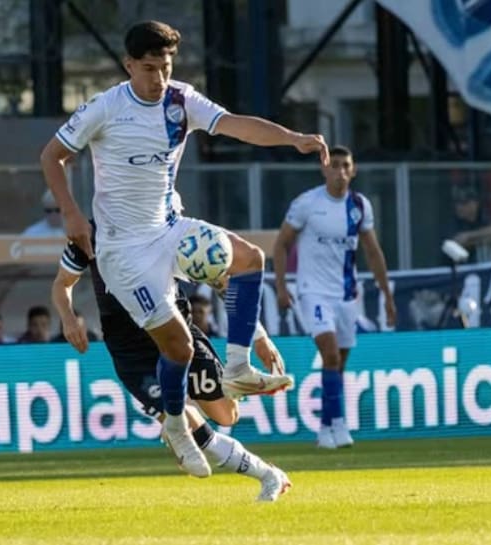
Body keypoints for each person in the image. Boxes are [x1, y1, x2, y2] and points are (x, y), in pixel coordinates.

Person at [40, 20, 326, 477]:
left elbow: (235, 125)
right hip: (124, 253)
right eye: (150, 68)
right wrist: (72, 214)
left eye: (166, 66)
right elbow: (50, 156)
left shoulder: (180, 99)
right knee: (178, 350)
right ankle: (175, 425)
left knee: (250, 258)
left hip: (169, 228)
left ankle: (237, 365)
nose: (159, 78)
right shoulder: (105, 108)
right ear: (129, 65)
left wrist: (292, 138)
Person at [52, 235, 291, 501]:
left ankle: (177, 420)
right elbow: (62, 283)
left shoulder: (162, 228)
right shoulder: (90, 234)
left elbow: (221, 280)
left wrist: (258, 336)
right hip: (132, 351)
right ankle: (268, 476)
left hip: (178, 333)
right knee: (195, 431)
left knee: (227, 416)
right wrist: (68, 318)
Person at [273, 146, 396, 449]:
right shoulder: (307, 204)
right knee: (328, 353)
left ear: (353, 171)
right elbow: (280, 245)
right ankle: (340, 426)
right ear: (325, 169)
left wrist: (387, 295)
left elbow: (372, 251)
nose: (340, 172)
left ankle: (325, 428)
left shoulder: (359, 206)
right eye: (335, 165)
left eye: (346, 166)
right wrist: (280, 286)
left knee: (338, 363)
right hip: (312, 292)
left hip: (346, 294)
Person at [448, 184, 491, 263]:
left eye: (464, 203)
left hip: (490, 269)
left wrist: (468, 236)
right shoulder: (454, 223)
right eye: (457, 203)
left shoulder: (483, 218)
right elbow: (456, 244)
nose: (459, 207)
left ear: (475, 204)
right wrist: (489, 239)